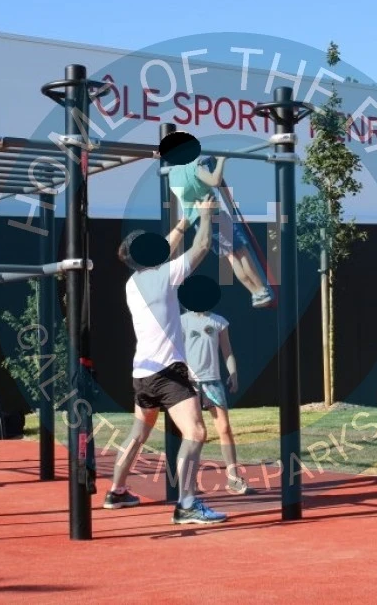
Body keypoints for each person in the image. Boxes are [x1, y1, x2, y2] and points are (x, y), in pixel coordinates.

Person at [104, 194, 228, 524]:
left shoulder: (134, 282)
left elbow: (166, 248)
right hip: (167, 373)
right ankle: (187, 503)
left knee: (138, 433)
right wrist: (206, 215)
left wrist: (183, 222)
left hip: (142, 373)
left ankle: (116, 492)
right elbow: (200, 248)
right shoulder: (164, 277)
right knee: (196, 432)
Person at [168, 155, 273, 308]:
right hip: (214, 214)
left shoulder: (172, 175)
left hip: (200, 222)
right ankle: (261, 290)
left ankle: (255, 293)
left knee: (231, 256)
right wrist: (222, 160)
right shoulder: (192, 167)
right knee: (241, 252)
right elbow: (215, 181)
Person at [181, 308, 253, 495]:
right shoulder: (182, 321)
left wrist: (233, 373)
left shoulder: (219, 321)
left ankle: (233, 478)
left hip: (213, 382)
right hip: (190, 383)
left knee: (224, 428)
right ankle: (191, 482)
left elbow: (227, 351)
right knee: (193, 433)